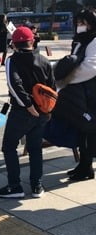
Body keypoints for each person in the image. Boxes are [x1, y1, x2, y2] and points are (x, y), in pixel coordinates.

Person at [0, 27, 55, 199]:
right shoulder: (43, 60)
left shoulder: (13, 61)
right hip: (42, 112)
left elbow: (15, 85)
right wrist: (47, 110)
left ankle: (15, 186)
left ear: (14, 44)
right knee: (35, 148)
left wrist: (28, 106)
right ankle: (37, 185)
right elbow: (53, 88)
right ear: (32, 41)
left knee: (9, 147)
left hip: (22, 112)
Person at [59, 9, 96, 181]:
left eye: (84, 23)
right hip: (81, 92)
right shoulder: (81, 39)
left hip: (91, 92)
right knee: (82, 129)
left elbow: (90, 68)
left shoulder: (94, 40)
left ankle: (87, 167)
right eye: (78, 23)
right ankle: (83, 165)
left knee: (88, 129)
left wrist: (66, 80)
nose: (80, 26)